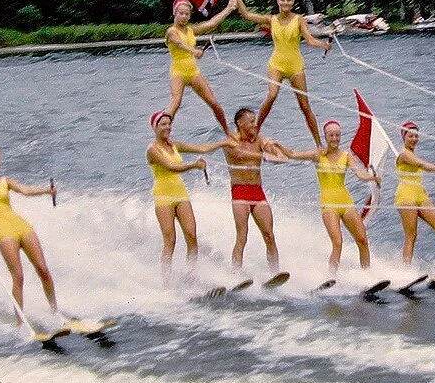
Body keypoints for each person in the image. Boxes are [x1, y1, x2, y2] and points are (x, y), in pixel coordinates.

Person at [0, 145, 60, 323]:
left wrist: (47, 190)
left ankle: (55, 312)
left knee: (43, 270)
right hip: (4, 233)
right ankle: (21, 323)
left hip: (22, 227)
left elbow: (25, 190)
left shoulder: (5, 181)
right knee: (18, 277)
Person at [229, 0, 332, 146]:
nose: (286, 3)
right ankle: (255, 131)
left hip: (295, 66)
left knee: (305, 106)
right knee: (272, 95)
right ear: (278, 1)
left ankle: (319, 144)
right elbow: (246, 15)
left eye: (289, 0)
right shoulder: (271, 19)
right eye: (283, 0)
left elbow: (310, 40)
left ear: (293, 2)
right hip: (276, 64)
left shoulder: (298, 19)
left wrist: (323, 45)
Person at [282, 119, 380, 273]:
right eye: (331, 135)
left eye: (337, 135)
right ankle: (332, 277)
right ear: (325, 137)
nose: (334, 138)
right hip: (329, 205)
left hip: (345, 202)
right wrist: (275, 145)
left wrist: (371, 177)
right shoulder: (318, 155)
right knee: (338, 243)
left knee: (362, 240)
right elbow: (293, 155)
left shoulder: (346, 156)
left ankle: (367, 275)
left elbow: (359, 173)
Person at [146, 110, 230, 280]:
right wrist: (194, 166)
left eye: (169, 124)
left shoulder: (173, 145)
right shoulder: (152, 150)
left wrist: (224, 143)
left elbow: (201, 148)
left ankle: (192, 277)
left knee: (191, 236)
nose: (167, 127)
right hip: (163, 197)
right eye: (163, 124)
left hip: (181, 194)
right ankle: (166, 282)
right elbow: (171, 167)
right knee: (170, 241)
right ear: (155, 128)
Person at [222, 106, 289, 272]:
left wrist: (274, 150)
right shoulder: (231, 141)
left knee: (269, 235)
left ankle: (275, 273)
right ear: (240, 123)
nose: (255, 124)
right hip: (239, 192)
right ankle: (235, 273)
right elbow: (240, 155)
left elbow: (281, 158)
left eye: (255, 121)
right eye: (251, 122)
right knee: (242, 235)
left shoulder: (260, 140)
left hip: (257, 192)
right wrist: (263, 156)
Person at [165, 0, 237, 133]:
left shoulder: (191, 30)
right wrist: (194, 51)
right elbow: (179, 44)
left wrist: (228, 9)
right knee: (176, 102)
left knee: (213, 102)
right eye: (181, 13)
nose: (184, 16)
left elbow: (211, 24)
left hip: (193, 72)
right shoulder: (171, 31)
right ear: (175, 13)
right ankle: (163, 134)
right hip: (178, 72)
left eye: (187, 14)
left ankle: (228, 132)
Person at [393, 121, 435, 267]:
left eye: (416, 136)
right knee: (411, 235)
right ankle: (405, 271)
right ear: (404, 137)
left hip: (420, 195)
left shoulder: (413, 154)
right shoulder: (404, 155)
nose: (414, 139)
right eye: (410, 136)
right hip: (405, 197)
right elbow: (421, 165)